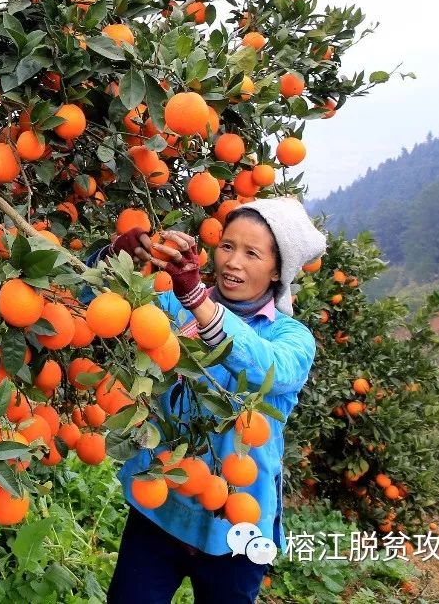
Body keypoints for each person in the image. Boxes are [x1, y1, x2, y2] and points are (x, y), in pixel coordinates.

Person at [96, 197, 326, 604]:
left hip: (237, 530)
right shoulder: (172, 305)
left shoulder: (292, 338)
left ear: (277, 270)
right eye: (227, 246)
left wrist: (198, 300)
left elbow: (262, 366)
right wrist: (116, 259)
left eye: (251, 253)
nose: (233, 262)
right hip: (161, 506)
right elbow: (91, 309)